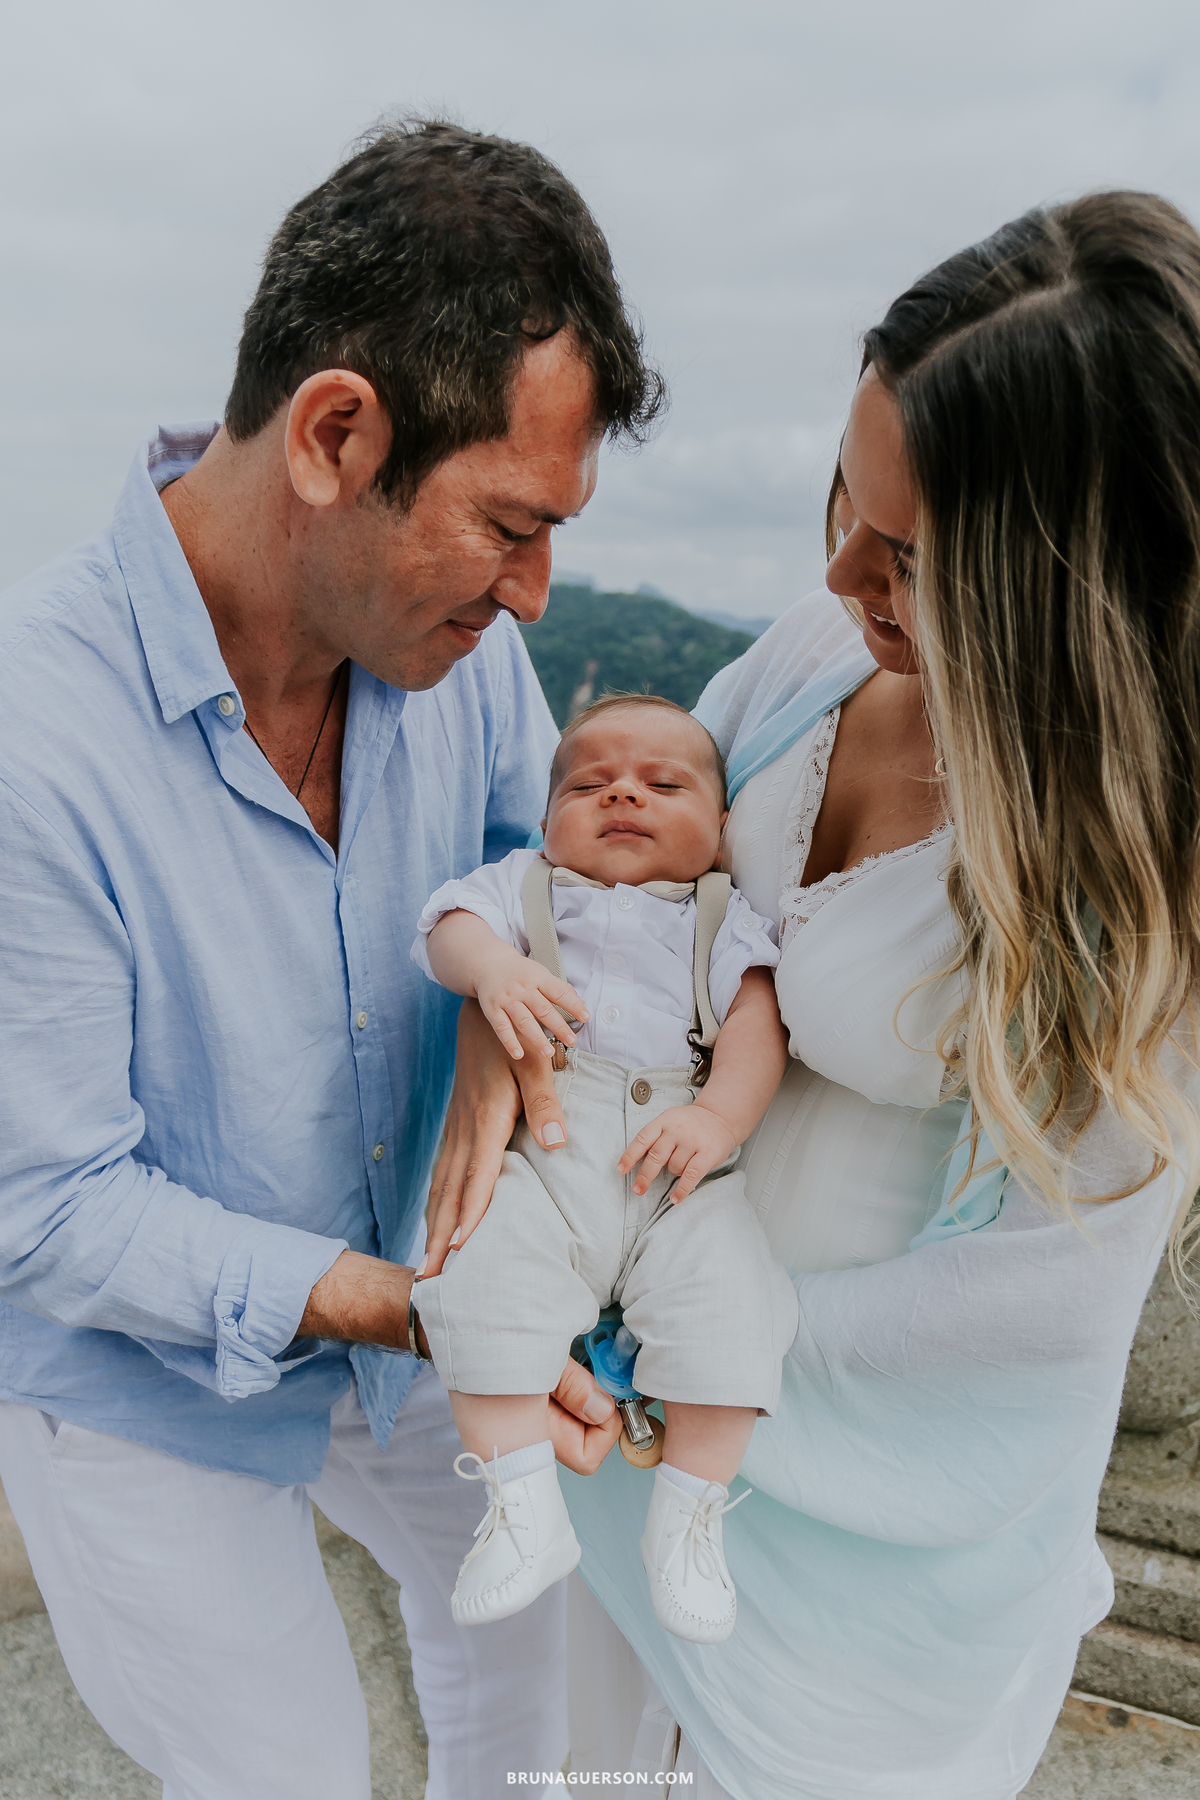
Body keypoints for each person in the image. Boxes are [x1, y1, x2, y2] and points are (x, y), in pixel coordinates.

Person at [431, 190, 1200, 1800]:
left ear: (1065, 587)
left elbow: (1037, 1309)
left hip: (831, 1520)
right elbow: (618, 895)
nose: (840, 567)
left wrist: (654, 1366)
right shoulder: (803, 660)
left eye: (908, 554)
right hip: (628, 1412)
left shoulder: (1147, 887)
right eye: (846, 493)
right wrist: (498, 1025)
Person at [0, 120, 663, 1800]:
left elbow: (551, 880)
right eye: (508, 525)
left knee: (539, 1687)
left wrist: (504, 1031)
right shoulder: (30, 742)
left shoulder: (454, 647)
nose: (537, 596)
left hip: (418, 1288)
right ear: (334, 436)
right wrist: (417, 1313)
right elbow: (51, 1209)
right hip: (136, 1367)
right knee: (283, 1769)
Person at [409, 695, 794, 1640]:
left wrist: (718, 1115)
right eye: (589, 785)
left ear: (721, 828)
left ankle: (690, 1515)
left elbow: (756, 1024)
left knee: (735, 1305)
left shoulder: (721, 916)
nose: (624, 793)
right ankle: (521, 1504)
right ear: (548, 820)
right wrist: (491, 970)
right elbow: (446, 927)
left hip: (678, 1170)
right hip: (546, 1160)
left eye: (663, 783)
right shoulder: (526, 887)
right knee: (478, 1277)